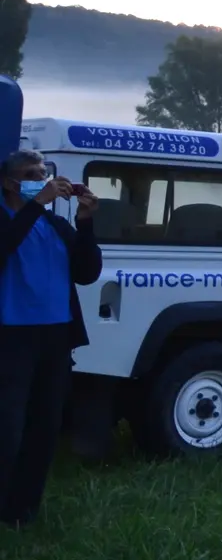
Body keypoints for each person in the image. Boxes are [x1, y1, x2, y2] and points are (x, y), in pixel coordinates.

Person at [0, 149, 102, 530]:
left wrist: (86, 223)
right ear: (10, 182)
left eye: (45, 173)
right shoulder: (12, 218)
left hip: (56, 338)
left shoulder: (54, 226)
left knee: (44, 429)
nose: (42, 179)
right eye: (31, 174)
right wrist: (37, 203)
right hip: (10, 338)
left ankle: (21, 514)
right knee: (8, 430)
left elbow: (88, 272)